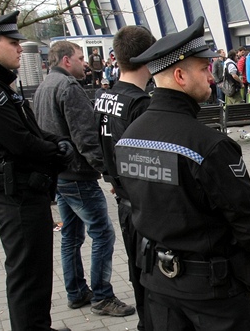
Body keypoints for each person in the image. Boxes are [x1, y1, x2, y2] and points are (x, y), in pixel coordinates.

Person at [114, 16, 250, 330]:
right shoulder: (210, 145)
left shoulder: (129, 136)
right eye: (204, 69)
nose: (211, 78)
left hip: (158, 286)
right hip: (212, 291)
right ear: (179, 75)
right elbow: (246, 220)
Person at [0, 11, 73, 331]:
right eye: (13, 42)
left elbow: (28, 131)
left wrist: (56, 143)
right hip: (16, 193)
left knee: (34, 273)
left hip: (21, 190)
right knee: (28, 277)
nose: (20, 48)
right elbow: (20, 143)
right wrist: (58, 151)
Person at [33, 41, 135, 317]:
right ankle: (102, 295)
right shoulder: (68, 88)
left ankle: (76, 291)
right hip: (77, 175)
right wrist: (109, 174)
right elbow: (86, 138)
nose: (85, 63)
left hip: (61, 175)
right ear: (67, 61)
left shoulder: (45, 86)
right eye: (80, 58)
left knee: (71, 236)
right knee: (102, 233)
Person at [95, 25, 156, 330]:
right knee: (150, 273)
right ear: (149, 56)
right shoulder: (141, 104)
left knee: (136, 269)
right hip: (141, 203)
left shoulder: (105, 97)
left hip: (122, 198)